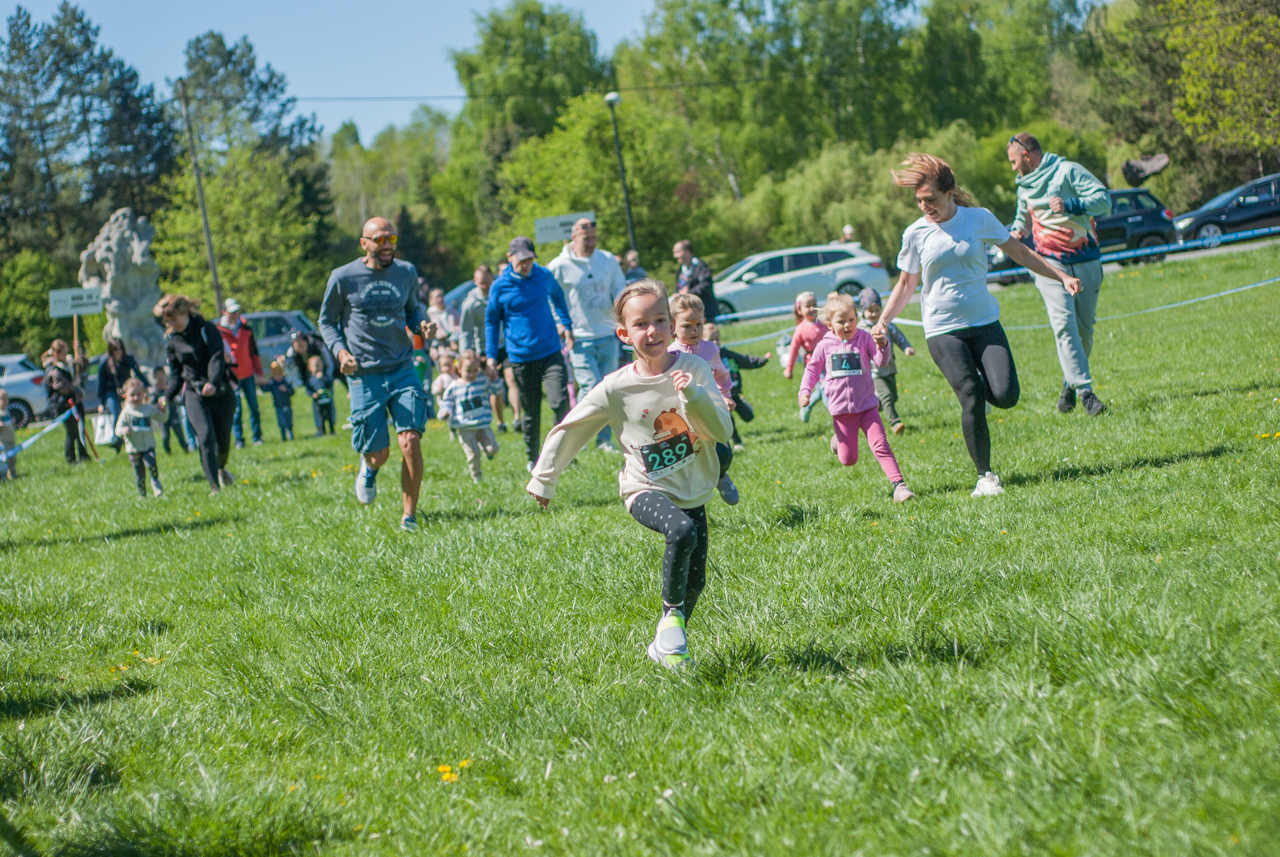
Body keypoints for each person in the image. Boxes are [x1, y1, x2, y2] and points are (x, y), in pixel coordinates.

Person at [527, 279, 734, 670]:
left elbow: (721, 431)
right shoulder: (616, 387)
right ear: (624, 334)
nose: (652, 330)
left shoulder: (694, 368)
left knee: (696, 581)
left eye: (660, 320)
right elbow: (574, 427)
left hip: (693, 487)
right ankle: (671, 620)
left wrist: (694, 396)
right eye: (641, 324)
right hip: (645, 488)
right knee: (682, 532)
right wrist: (544, 477)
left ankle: (667, 639)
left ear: (673, 326)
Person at [873, 153, 1082, 498]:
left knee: (1005, 396)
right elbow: (906, 284)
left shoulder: (979, 219)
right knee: (970, 394)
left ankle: (979, 381)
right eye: (920, 201)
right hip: (942, 329)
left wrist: (1060, 276)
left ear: (950, 192)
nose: (925, 206)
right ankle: (985, 477)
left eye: (931, 200)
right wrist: (883, 320)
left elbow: (1021, 253)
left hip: (984, 321)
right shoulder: (915, 234)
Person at [318, 216, 437, 531]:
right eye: (381, 240)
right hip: (364, 374)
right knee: (379, 454)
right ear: (364, 243)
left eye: (392, 239)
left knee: (411, 439)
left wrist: (421, 324)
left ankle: (409, 516)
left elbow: (413, 309)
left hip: (402, 367)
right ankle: (369, 469)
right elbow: (327, 322)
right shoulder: (343, 277)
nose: (387, 246)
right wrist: (340, 353)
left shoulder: (406, 272)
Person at [1008, 132, 1111, 416]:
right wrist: (1017, 232)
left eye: (1014, 161)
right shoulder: (1023, 187)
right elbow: (1023, 218)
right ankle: (1087, 394)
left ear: (1027, 155)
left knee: (1084, 330)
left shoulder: (1068, 171)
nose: (1013, 168)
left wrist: (1071, 205)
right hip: (1050, 266)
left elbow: (1104, 201)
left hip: (1086, 259)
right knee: (1064, 325)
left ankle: (1070, 381)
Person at [799, 293, 915, 503]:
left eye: (851, 320)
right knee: (849, 460)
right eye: (841, 321)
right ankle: (837, 439)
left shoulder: (864, 338)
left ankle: (899, 486)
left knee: (880, 445)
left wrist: (883, 345)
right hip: (842, 413)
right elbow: (811, 371)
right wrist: (805, 392)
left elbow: (881, 362)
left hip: (868, 407)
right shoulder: (824, 346)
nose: (847, 325)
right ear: (829, 324)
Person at [484, 236, 574, 470]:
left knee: (559, 401)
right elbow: (492, 321)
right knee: (531, 411)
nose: (526, 265)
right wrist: (491, 355)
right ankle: (533, 458)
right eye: (521, 260)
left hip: (550, 351)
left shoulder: (542, 275)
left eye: (530, 260)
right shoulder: (500, 286)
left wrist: (567, 324)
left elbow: (558, 296)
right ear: (509, 257)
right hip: (521, 357)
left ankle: (561, 454)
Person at [547, 217, 628, 452]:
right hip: (579, 337)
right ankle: (580, 436)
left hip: (606, 333)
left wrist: (623, 314)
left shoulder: (607, 260)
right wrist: (561, 324)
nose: (591, 243)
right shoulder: (559, 265)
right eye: (586, 238)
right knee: (591, 386)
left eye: (594, 238)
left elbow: (619, 289)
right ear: (573, 237)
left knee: (609, 390)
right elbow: (550, 297)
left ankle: (604, 441)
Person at [155, 294, 237, 495]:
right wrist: (167, 394)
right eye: (168, 321)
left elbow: (217, 357)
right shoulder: (172, 341)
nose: (171, 324)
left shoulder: (207, 329)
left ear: (185, 313)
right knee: (205, 436)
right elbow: (176, 373)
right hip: (194, 393)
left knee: (223, 441)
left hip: (219, 390)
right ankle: (214, 486)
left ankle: (220, 467)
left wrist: (213, 381)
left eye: (174, 319)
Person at [668, 293, 738, 505]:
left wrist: (726, 396)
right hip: (682, 417)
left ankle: (721, 477)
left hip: (709, 412)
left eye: (698, 324)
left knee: (724, 454)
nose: (694, 330)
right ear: (673, 326)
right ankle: (688, 498)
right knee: (688, 460)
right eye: (687, 325)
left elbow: (722, 377)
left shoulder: (710, 350)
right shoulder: (669, 354)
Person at [701, 322, 771, 450]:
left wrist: (763, 360)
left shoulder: (727, 354)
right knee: (729, 420)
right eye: (711, 340)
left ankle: (745, 403)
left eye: (717, 338)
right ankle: (737, 442)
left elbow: (744, 360)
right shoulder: (703, 360)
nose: (715, 342)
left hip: (734, 393)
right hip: (719, 397)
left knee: (748, 417)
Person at [856, 288, 915, 435]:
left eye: (877, 309)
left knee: (893, 396)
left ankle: (874, 406)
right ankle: (895, 423)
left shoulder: (885, 325)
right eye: (870, 310)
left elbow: (898, 337)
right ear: (862, 311)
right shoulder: (860, 330)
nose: (874, 313)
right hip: (873, 372)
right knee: (887, 395)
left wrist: (906, 347)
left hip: (889, 367)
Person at [439, 351, 503, 483]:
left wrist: (494, 378)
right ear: (459, 369)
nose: (472, 374)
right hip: (465, 427)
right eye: (468, 370)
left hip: (483, 424)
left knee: (492, 449)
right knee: (473, 455)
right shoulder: (454, 387)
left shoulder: (482, 381)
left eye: (475, 370)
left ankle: (486, 450)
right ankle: (477, 478)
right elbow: (447, 402)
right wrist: (445, 412)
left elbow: (496, 391)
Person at [217, 298, 265, 447]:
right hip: (232, 377)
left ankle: (257, 437)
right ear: (224, 312)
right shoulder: (219, 330)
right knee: (236, 411)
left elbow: (253, 351)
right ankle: (239, 440)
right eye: (232, 312)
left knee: (254, 408)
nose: (235, 314)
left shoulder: (245, 327)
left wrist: (259, 371)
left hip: (248, 374)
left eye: (237, 311)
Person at [42, 339, 90, 464]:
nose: (65, 354)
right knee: (72, 432)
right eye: (62, 353)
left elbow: (83, 366)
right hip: (64, 405)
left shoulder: (69, 364)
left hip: (76, 402)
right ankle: (71, 458)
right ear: (56, 354)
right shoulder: (53, 370)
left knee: (81, 430)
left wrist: (79, 351)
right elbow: (61, 387)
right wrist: (75, 384)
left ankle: (83, 455)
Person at [114, 378, 164, 498]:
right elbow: (117, 430)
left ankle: (155, 482)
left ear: (144, 394)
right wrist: (123, 430)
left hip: (148, 445)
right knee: (139, 473)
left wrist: (164, 410)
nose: (136, 398)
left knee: (151, 463)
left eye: (138, 394)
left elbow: (162, 418)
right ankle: (143, 495)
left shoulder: (148, 409)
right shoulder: (126, 412)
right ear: (125, 395)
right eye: (132, 395)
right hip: (134, 448)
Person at [96, 336, 148, 453]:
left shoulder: (128, 358)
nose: (118, 352)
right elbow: (101, 383)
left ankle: (125, 440)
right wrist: (101, 402)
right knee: (116, 414)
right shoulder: (105, 361)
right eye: (115, 350)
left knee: (130, 414)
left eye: (120, 349)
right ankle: (117, 440)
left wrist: (147, 385)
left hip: (127, 390)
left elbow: (138, 372)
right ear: (110, 350)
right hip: (111, 392)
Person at [784, 292, 829, 422]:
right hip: (815, 366)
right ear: (799, 310)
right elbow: (794, 349)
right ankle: (834, 412)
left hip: (829, 362)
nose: (811, 308)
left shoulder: (824, 324)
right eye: (807, 306)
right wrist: (789, 369)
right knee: (825, 388)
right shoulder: (800, 330)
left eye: (814, 305)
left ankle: (807, 406)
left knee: (823, 390)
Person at [672, 239, 718, 323]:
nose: (675, 256)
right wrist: (676, 294)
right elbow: (679, 286)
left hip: (705, 312)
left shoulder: (701, 267)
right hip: (689, 313)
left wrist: (689, 293)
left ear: (687, 251)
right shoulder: (681, 270)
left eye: (677, 252)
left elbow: (705, 285)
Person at [150, 367, 188, 454]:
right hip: (163, 417)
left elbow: (178, 397)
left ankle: (186, 449)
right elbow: (152, 403)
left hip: (173, 414)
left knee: (179, 434)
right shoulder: (155, 390)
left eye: (161, 374)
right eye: (157, 375)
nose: (159, 377)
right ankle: (168, 452)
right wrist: (155, 394)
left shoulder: (170, 387)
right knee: (165, 436)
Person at [263, 362, 295, 441]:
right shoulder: (272, 383)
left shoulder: (286, 382)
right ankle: (283, 437)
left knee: (289, 422)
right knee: (282, 423)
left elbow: (292, 391)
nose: (278, 377)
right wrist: (262, 382)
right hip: (278, 407)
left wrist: (286, 390)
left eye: (280, 375)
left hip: (287, 405)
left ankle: (291, 435)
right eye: (276, 375)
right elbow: (265, 389)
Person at [306, 354, 335, 436]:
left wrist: (323, 378)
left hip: (327, 400)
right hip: (318, 402)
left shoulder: (325, 376)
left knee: (329, 416)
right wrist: (313, 394)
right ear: (310, 368)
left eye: (319, 365)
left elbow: (330, 383)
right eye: (315, 366)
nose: (318, 368)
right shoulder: (311, 380)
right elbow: (308, 390)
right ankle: (323, 431)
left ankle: (332, 430)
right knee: (321, 417)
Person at [0, 389, 18, 479]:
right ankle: (4, 475)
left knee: (13, 458)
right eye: (2, 399)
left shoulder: (7, 412)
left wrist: (13, 421)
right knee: (5, 458)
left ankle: (13, 472)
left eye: (6, 399)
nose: (5, 401)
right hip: (3, 441)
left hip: (11, 439)